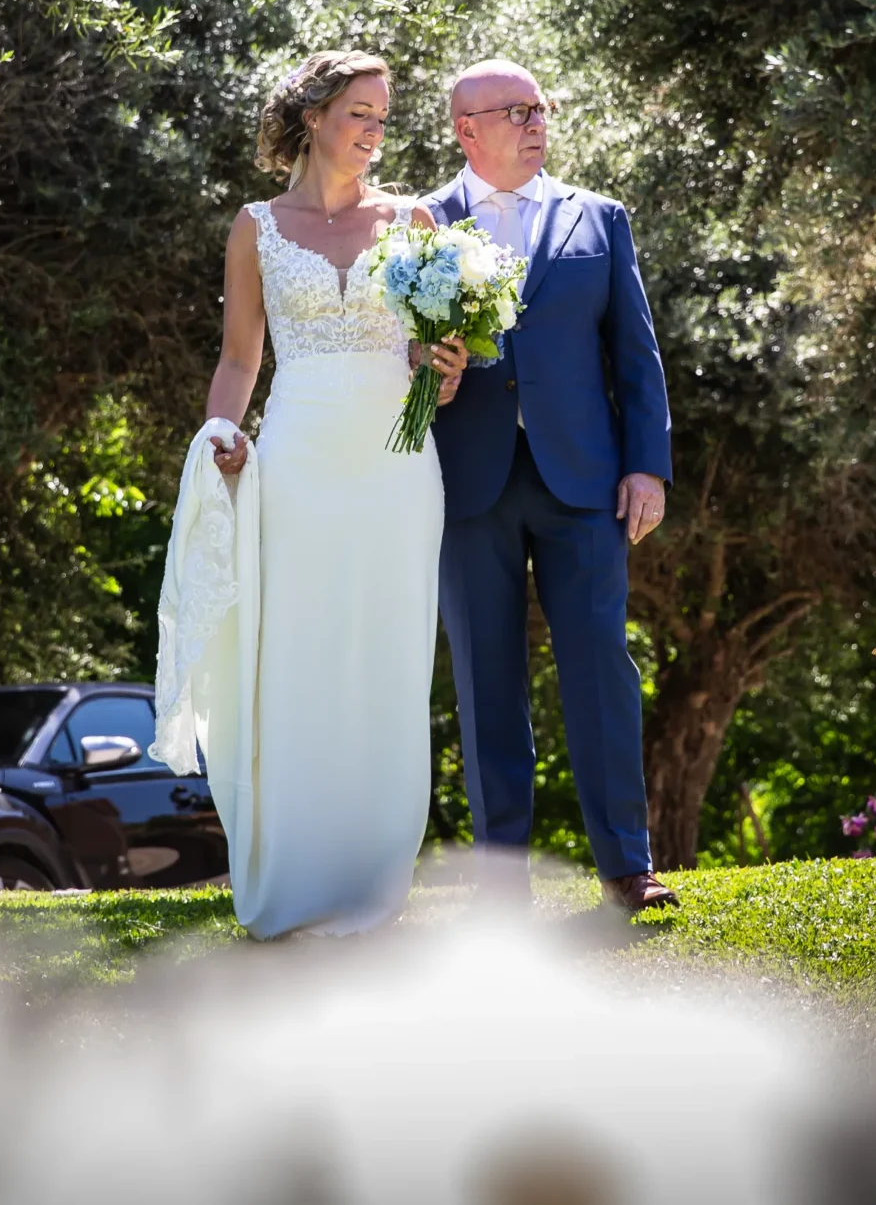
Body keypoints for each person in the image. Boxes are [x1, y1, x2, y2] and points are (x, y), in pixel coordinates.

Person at [152, 50, 468, 938]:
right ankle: (294, 869)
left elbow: (434, 363)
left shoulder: (412, 220)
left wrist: (445, 371)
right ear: (314, 116)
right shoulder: (256, 226)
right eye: (360, 112)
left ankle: (373, 873)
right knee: (295, 657)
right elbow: (239, 358)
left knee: (385, 659)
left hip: (397, 469)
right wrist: (221, 433)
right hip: (296, 465)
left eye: (382, 115)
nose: (374, 130)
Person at [424, 58, 677, 912]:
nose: (537, 123)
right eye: (518, 111)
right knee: (486, 682)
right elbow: (399, 357)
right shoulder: (421, 224)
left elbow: (635, 354)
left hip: (585, 482)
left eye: (541, 108)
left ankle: (628, 866)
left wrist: (647, 464)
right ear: (467, 129)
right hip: (468, 485)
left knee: (603, 670)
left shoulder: (599, 218)